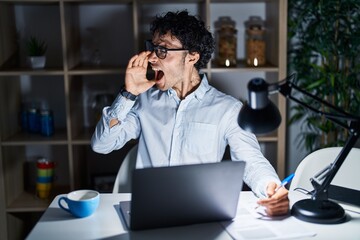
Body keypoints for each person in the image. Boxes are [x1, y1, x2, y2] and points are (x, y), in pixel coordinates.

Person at [91, 10, 289, 216]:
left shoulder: (229, 109)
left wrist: (271, 187)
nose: (151, 58)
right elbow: (102, 145)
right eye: (152, 47)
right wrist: (128, 93)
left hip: (202, 212)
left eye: (163, 50)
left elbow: (252, 161)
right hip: (150, 210)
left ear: (192, 56)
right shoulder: (143, 100)